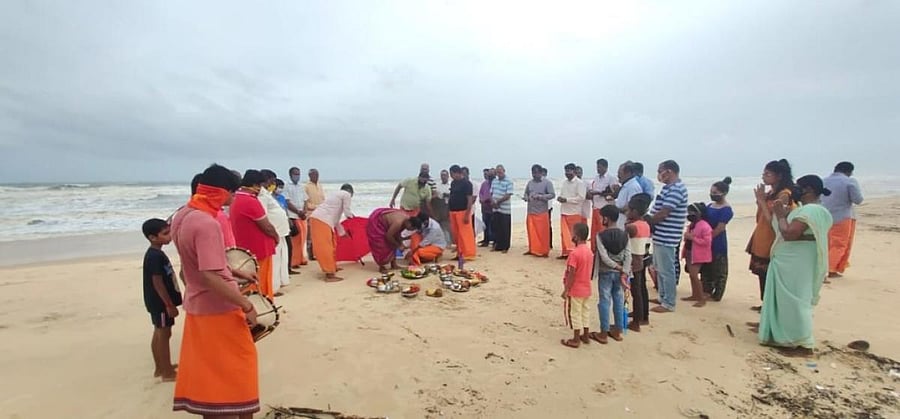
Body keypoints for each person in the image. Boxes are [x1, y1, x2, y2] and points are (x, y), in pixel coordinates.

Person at [170, 164, 260, 417]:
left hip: (198, 307)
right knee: (241, 366)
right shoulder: (207, 224)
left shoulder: (183, 214)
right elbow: (210, 276)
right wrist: (247, 305)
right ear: (221, 192)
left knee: (209, 372)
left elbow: (199, 264)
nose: (233, 198)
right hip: (219, 309)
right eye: (232, 193)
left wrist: (235, 271)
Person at [758, 175, 834, 357]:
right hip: (788, 261)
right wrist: (764, 203)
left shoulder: (813, 210)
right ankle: (785, 337)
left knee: (796, 300)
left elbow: (790, 233)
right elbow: (775, 226)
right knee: (785, 300)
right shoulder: (804, 209)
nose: (795, 191)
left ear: (810, 190)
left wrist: (782, 216)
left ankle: (803, 344)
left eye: (799, 187)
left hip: (797, 262)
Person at [747, 159, 794, 311]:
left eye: (767, 174)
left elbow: (773, 221)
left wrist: (761, 200)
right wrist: (761, 200)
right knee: (762, 275)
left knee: (769, 276)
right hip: (762, 236)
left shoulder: (784, 195)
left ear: (778, 176)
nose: (763, 176)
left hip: (771, 239)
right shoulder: (771, 193)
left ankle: (770, 310)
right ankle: (765, 305)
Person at [142, 218, 182, 382]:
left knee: (160, 331)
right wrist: (169, 305)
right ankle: (166, 373)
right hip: (160, 302)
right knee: (164, 334)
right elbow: (157, 282)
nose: (170, 236)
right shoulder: (154, 256)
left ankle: (161, 366)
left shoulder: (156, 253)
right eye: (165, 233)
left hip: (157, 302)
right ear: (153, 237)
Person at [231, 170, 280, 299]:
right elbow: (267, 226)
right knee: (260, 283)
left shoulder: (235, 198)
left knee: (249, 283)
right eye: (260, 185)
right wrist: (276, 237)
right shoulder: (250, 201)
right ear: (255, 185)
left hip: (244, 249)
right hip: (259, 249)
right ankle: (263, 309)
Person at [648, 160, 688, 313]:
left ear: (669, 171)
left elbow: (664, 212)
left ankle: (669, 302)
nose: (659, 175)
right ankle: (662, 296)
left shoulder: (677, 189)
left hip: (668, 236)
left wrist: (648, 222)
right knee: (659, 267)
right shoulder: (668, 188)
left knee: (667, 270)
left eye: (660, 171)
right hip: (660, 235)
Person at [589, 205, 632, 344]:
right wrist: (624, 270)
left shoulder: (600, 235)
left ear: (606, 218)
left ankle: (603, 332)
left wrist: (616, 266)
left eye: (602, 217)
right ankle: (618, 331)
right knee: (619, 300)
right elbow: (628, 255)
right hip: (620, 274)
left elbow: (604, 257)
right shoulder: (625, 234)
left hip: (606, 271)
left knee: (604, 301)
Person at [822, 162, 864, 278]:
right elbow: (858, 200)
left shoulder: (823, 180)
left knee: (826, 243)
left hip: (824, 216)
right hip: (842, 216)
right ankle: (831, 269)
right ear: (849, 171)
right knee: (839, 244)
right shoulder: (849, 181)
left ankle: (823, 266)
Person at [309, 184, 355, 282]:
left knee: (332, 244)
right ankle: (329, 274)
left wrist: (342, 233)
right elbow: (347, 212)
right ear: (351, 192)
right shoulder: (346, 194)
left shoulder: (335, 196)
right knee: (326, 247)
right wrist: (354, 219)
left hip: (324, 221)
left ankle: (332, 267)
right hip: (321, 220)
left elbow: (336, 220)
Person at [559, 222, 594, 348]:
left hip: (576, 289)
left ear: (577, 237)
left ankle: (576, 338)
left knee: (575, 313)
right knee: (585, 311)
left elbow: (571, 274)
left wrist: (566, 289)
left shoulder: (575, 253)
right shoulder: (589, 251)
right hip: (586, 287)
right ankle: (585, 335)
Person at [702, 177, 734, 301]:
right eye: (711, 192)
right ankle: (706, 290)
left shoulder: (726, 210)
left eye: (715, 193)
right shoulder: (710, 205)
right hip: (705, 240)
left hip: (717, 241)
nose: (712, 195)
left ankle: (717, 294)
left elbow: (720, 228)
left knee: (719, 269)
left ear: (724, 193)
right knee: (706, 268)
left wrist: (707, 238)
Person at [260, 170, 291, 295]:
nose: (273, 183)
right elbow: (263, 215)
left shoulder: (268, 194)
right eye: (272, 180)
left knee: (282, 259)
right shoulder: (261, 195)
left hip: (281, 231)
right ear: (266, 180)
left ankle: (280, 282)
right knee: (275, 261)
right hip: (274, 232)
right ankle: (272, 287)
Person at [624, 194, 652, 332]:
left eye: (629, 210)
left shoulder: (632, 227)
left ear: (634, 211)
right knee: (642, 288)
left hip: (634, 262)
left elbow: (624, 238)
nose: (627, 213)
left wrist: (626, 223)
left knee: (636, 291)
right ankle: (643, 316)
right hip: (644, 258)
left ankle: (636, 323)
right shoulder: (646, 224)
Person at [367, 208, 425, 273]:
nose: (410, 230)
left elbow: (398, 235)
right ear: (409, 223)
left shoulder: (405, 221)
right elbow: (389, 236)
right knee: (382, 246)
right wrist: (398, 245)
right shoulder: (398, 223)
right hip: (377, 222)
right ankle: (382, 267)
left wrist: (401, 243)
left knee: (394, 242)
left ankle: (393, 264)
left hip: (388, 225)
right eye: (412, 228)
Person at [681, 203, 712, 307]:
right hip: (690, 252)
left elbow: (707, 242)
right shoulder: (692, 225)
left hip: (699, 254)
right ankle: (695, 295)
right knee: (691, 275)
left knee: (694, 275)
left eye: (692, 212)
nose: (690, 214)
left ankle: (702, 298)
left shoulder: (704, 226)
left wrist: (692, 238)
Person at [524, 164, 555, 257]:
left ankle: (544, 251)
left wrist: (541, 196)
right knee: (531, 232)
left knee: (543, 233)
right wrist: (526, 197)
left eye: (536, 173)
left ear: (541, 173)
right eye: (533, 173)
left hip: (542, 212)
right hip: (531, 211)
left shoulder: (547, 183)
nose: (534, 175)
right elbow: (526, 193)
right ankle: (532, 249)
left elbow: (552, 195)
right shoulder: (530, 183)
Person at [556, 163, 587, 259]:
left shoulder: (579, 183)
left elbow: (581, 198)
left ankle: (575, 253)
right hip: (564, 211)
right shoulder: (565, 183)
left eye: (569, 171)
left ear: (574, 171)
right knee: (564, 234)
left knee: (574, 234)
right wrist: (560, 198)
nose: (567, 173)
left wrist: (567, 200)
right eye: (566, 171)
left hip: (574, 212)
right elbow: (562, 194)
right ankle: (565, 253)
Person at [447, 165, 476, 260]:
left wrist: (467, 214)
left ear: (457, 173)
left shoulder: (467, 184)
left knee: (465, 234)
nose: (451, 176)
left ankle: (468, 254)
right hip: (453, 211)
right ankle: (460, 253)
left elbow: (469, 200)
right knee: (456, 234)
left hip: (462, 211)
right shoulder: (453, 183)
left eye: (452, 174)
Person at [586, 159, 615, 250]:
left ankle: (602, 250)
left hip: (604, 208)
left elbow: (613, 193)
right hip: (595, 207)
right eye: (597, 167)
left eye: (600, 167)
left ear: (605, 167)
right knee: (594, 231)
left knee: (602, 230)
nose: (598, 169)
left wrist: (600, 193)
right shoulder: (596, 178)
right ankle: (594, 250)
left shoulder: (611, 178)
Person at [284, 167, 307, 273]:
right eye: (295, 174)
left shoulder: (301, 186)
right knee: (296, 240)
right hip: (293, 215)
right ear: (290, 174)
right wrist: (298, 212)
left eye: (298, 174)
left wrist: (304, 211)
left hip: (302, 216)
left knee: (303, 239)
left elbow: (305, 200)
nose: (297, 176)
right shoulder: (287, 186)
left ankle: (301, 258)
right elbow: (287, 202)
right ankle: (294, 261)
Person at [490, 164, 514, 253]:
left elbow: (508, 195)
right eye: (497, 172)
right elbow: (491, 193)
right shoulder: (494, 181)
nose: (499, 174)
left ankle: (505, 247)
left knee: (505, 229)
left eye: (500, 172)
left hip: (505, 209)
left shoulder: (509, 181)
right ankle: (497, 246)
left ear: (504, 171)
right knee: (496, 228)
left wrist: (498, 202)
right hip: (495, 209)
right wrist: (492, 201)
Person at [304, 168, 326, 261]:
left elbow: (323, 199)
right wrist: (315, 207)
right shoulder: (306, 187)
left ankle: (318, 253)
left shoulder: (320, 185)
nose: (316, 177)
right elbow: (305, 202)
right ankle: (310, 254)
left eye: (317, 175)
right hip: (311, 213)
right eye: (313, 175)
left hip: (321, 213)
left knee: (319, 235)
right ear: (309, 176)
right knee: (310, 235)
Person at [614, 161, 644, 229]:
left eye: (619, 173)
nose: (618, 176)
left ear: (628, 173)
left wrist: (616, 209)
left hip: (626, 225)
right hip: (620, 223)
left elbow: (633, 207)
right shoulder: (626, 185)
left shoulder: (633, 187)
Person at [433, 169, 453, 245]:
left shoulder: (451, 184)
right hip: (439, 207)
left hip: (448, 206)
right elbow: (435, 195)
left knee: (448, 226)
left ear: (448, 176)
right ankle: (440, 242)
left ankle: (449, 242)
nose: (443, 177)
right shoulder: (437, 185)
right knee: (439, 225)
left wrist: (448, 195)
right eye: (442, 175)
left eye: (445, 175)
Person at [478, 168, 496, 247]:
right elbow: (481, 193)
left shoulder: (495, 183)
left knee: (493, 225)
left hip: (492, 206)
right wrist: (481, 199)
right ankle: (486, 240)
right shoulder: (484, 184)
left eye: (487, 174)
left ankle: (494, 240)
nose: (486, 176)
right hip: (484, 207)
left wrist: (489, 199)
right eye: (485, 174)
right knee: (485, 224)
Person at [575, 165, 593, 234]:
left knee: (584, 225)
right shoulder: (572, 183)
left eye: (579, 173)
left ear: (582, 173)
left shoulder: (586, 183)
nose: (578, 175)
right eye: (576, 173)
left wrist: (583, 195)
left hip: (584, 207)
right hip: (575, 208)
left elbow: (591, 195)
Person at [542, 166, 553, 249]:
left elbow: (551, 195)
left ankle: (549, 243)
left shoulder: (548, 183)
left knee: (548, 225)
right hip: (540, 208)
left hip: (548, 208)